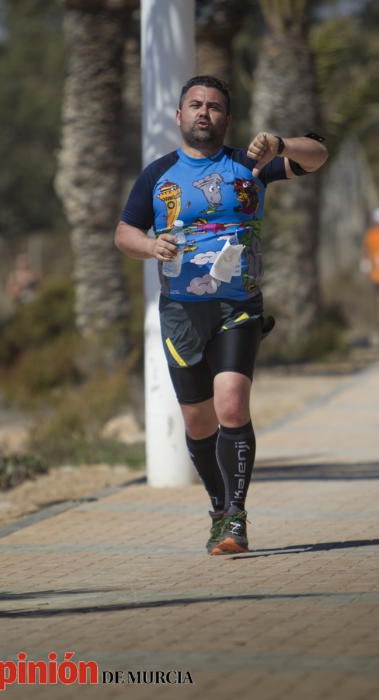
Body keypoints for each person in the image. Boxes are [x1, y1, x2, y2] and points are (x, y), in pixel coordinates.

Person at [115, 75, 328, 555]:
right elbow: (123, 232)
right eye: (195, 104)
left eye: (213, 106)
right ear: (179, 115)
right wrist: (150, 245)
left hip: (239, 306)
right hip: (181, 315)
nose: (203, 112)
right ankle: (216, 507)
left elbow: (316, 156)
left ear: (227, 120)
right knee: (198, 423)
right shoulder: (158, 175)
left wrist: (279, 144)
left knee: (232, 403)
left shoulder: (249, 165)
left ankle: (235, 518)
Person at [362, 208, 379, 330]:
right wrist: (366, 264)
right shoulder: (371, 235)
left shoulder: (370, 235)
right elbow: (366, 252)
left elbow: (365, 253)